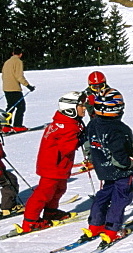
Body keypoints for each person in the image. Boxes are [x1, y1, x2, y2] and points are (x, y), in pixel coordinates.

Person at [19, 92, 87, 233]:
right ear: (70, 108)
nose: (84, 108)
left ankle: (51, 211)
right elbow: (68, 147)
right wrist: (83, 137)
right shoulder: (66, 126)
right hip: (52, 166)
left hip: (59, 166)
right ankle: (30, 221)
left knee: (59, 189)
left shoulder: (69, 122)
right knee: (43, 193)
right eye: (81, 105)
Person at [83, 89, 133, 244]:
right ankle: (112, 229)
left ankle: (95, 225)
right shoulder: (119, 129)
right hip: (120, 171)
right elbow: (120, 159)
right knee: (121, 197)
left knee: (104, 193)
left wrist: (94, 159)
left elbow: (87, 144)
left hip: (103, 169)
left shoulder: (92, 124)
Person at [1, 49, 34, 130]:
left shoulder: (7, 62)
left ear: (12, 53)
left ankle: (6, 126)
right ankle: (17, 125)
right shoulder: (18, 62)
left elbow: (3, 75)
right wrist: (28, 86)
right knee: (21, 107)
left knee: (10, 107)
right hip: (14, 88)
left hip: (6, 87)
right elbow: (19, 76)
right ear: (21, 54)